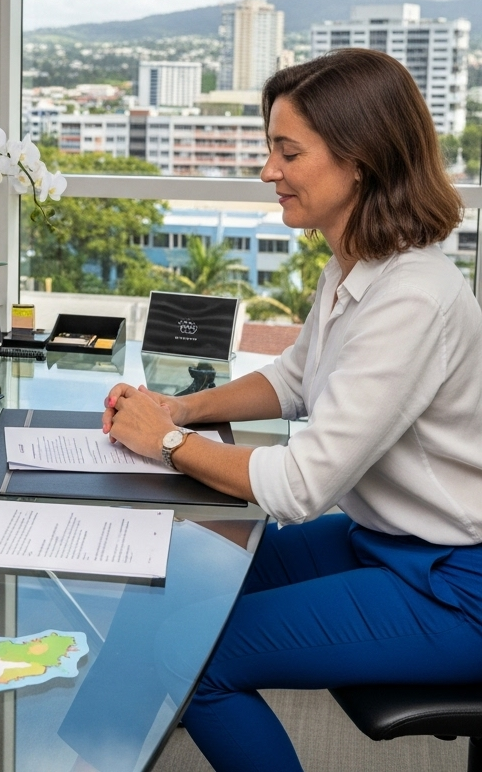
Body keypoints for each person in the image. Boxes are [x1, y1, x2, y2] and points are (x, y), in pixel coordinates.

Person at [102, 48, 482, 772]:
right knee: (180, 572)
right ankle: (100, 755)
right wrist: (178, 409)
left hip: (456, 584)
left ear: (360, 159)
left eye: (288, 151)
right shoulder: (358, 263)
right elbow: (293, 379)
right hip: (385, 540)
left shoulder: (413, 296)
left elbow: (300, 486)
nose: (268, 170)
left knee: (196, 657)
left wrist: (167, 446)